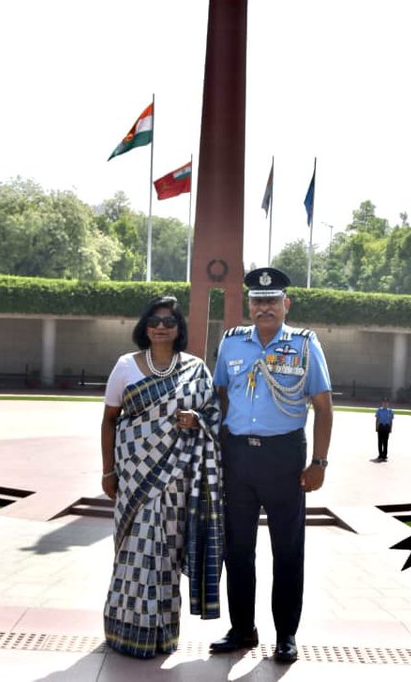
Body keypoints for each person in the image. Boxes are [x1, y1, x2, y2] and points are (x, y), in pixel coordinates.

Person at [209, 267, 333, 665]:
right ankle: (243, 628)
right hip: (239, 456)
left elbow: (324, 408)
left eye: (272, 300)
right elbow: (221, 397)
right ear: (250, 304)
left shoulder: (305, 344)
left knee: (287, 549)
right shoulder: (231, 343)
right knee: (238, 549)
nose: (265, 307)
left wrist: (319, 462)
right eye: (258, 301)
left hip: (284, 457)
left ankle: (286, 634)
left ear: (286, 304)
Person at [100, 296, 223, 659]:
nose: (161, 326)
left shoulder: (196, 368)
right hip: (133, 475)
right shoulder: (126, 366)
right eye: (154, 320)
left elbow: (214, 415)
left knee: (167, 553)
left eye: (169, 321)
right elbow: (109, 420)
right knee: (133, 551)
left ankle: (162, 634)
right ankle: (125, 630)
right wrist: (108, 471)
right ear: (145, 326)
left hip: (176, 479)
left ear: (179, 328)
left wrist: (196, 420)